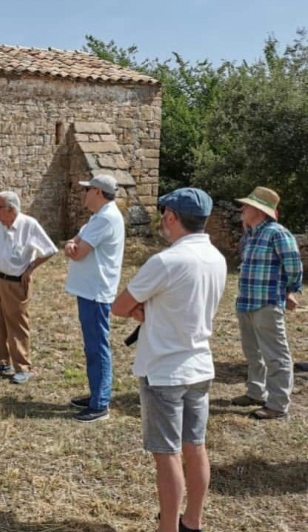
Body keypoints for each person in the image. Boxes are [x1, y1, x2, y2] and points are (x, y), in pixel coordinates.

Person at [112, 188, 226, 532]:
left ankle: (167, 528)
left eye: (165, 214)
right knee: (195, 447)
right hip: (199, 365)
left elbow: (118, 306)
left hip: (164, 369)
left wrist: (140, 310)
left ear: (172, 217)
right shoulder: (217, 258)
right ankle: (192, 521)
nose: (163, 220)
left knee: (167, 454)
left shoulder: (166, 261)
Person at [231, 186, 303, 420]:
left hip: (267, 301)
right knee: (252, 351)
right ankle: (255, 392)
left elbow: (293, 265)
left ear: (260, 211)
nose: (242, 209)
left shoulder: (277, 233)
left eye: (247, 206)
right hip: (247, 301)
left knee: (275, 354)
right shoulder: (251, 234)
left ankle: (278, 403)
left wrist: (291, 291)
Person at [0, 191, 57, 384]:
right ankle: (1, 362)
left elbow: (50, 250)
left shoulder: (29, 225)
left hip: (16, 284)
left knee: (18, 325)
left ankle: (22, 367)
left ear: (11, 209)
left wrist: (30, 269)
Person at [64, 174, 125, 423]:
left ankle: (100, 404)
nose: (84, 193)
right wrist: (72, 244)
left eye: (88, 189)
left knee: (98, 347)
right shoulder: (98, 217)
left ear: (99, 192)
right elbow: (75, 240)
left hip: (97, 293)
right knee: (92, 346)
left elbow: (77, 252)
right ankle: (96, 395)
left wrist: (72, 247)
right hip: (90, 290)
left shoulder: (107, 218)